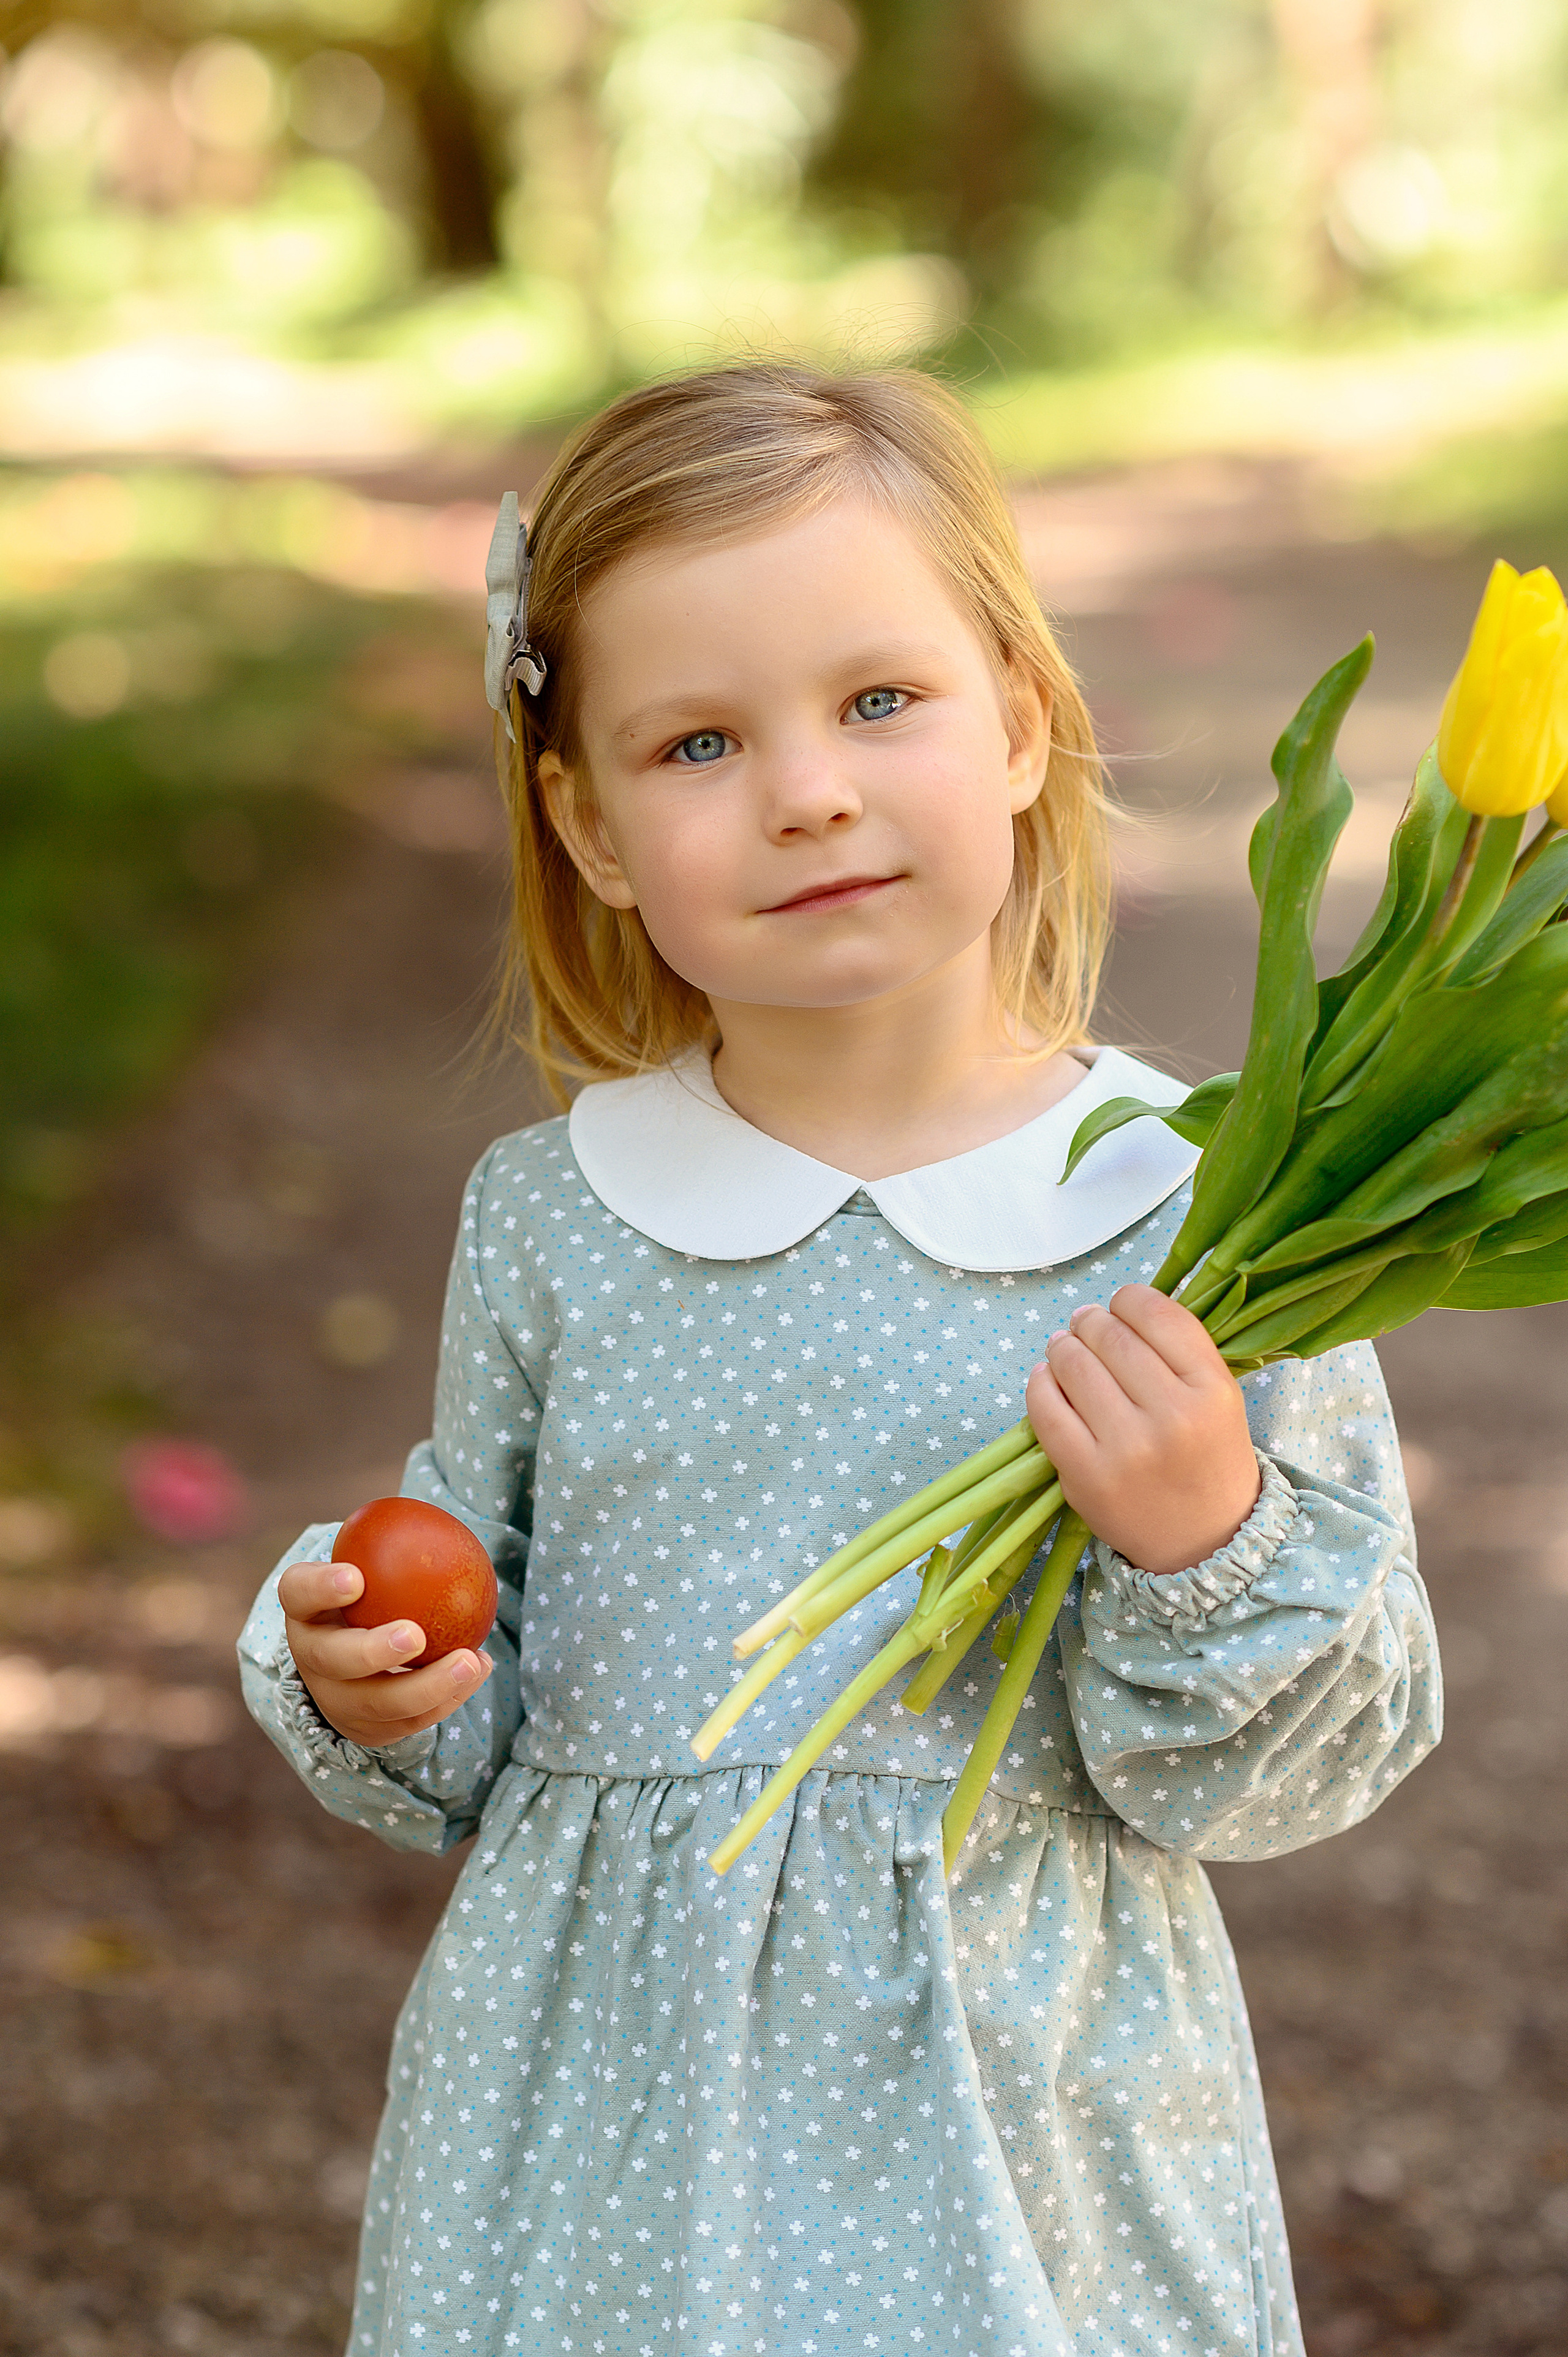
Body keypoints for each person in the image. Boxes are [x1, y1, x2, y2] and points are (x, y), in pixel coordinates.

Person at [239, 363, 1439, 2357]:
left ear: (1021, 722)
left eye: (880, 700)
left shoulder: (1201, 1209)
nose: (806, 790)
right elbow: (486, 1657)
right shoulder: (559, 1214)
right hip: (605, 2095)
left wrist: (1207, 1536)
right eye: (699, 741)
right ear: (591, 825)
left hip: (1021, 2104)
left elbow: (1296, 1758)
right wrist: (387, 1677)